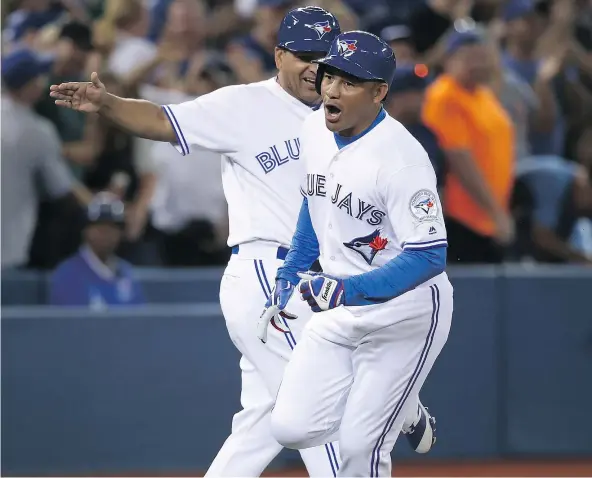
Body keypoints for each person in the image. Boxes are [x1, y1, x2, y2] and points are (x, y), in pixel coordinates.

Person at [50, 7, 355, 476]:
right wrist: (108, 103)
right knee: (319, 407)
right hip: (266, 274)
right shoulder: (244, 104)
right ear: (279, 56)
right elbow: (160, 121)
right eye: (305, 55)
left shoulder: (341, 119)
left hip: (315, 283)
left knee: (261, 421)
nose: (316, 66)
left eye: (325, 56)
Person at [257, 30, 453, 477]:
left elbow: (429, 257)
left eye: (348, 81)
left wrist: (344, 290)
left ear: (379, 92)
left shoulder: (403, 160)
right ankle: (403, 407)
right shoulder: (314, 128)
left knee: (360, 448)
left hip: (407, 313)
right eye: (329, 75)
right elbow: (314, 198)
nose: (330, 88)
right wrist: (291, 269)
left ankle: (391, 403)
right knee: (289, 428)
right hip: (342, 307)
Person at [422, 30, 515, 264]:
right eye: (469, 57)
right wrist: (496, 212)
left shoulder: (482, 94)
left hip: (486, 217)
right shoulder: (445, 95)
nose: (478, 64)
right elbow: (458, 157)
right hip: (460, 217)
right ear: (448, 60)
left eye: (482, 57)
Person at [1, 48, 90, 270]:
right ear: (27, 85)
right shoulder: (38, 130)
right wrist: (97, 205)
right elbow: (61, 189)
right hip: (7, 249)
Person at [49, 193, 146, 307]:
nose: (106, 234)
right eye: (100, 227)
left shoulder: (127, 273)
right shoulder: (67, 274)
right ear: (86, 230)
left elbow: (141, 319)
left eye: (113, 228)